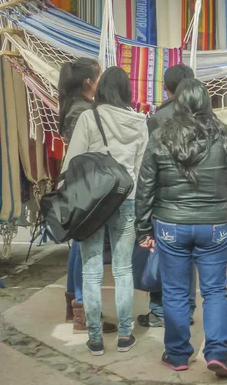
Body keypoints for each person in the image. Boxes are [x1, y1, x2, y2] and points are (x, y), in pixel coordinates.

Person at [135, 79, 227, 377]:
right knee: (214, 291)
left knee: (174, 291)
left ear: (179, 103)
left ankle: (177, 355)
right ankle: (217, 353)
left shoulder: (161, 136)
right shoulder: (225, 135)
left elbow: (145, 185)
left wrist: (143, 229)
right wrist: (226, 212)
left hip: (171, 224)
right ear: (207, 102)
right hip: (215, 225)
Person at [62, 66, 148, 356]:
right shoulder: (140, 122)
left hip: (94, 201)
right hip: (127, 200)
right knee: (124, 270)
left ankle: (95, 339)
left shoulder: (89, 117)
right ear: (126, 91)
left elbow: (72, 163)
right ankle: (125, 335)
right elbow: (141, 169)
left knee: (92, 270)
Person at [58, 58, 117, 335]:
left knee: (79, 246)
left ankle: (74, 306)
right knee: (85, 251)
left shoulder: (75, 107)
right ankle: (83, 312)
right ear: (89, 82)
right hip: (85, 185)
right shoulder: (83, 112)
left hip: (79, 184)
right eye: (99, 76)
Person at [137, 64, 197, 328]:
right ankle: (188, 308)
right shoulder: (204, 115)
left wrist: (144, 217)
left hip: (167, 201)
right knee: (191, 256)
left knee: (162, 254)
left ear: (166, 88)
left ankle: (160, 311)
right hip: (199, 202)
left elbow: (149, 169)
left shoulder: (159, 118)